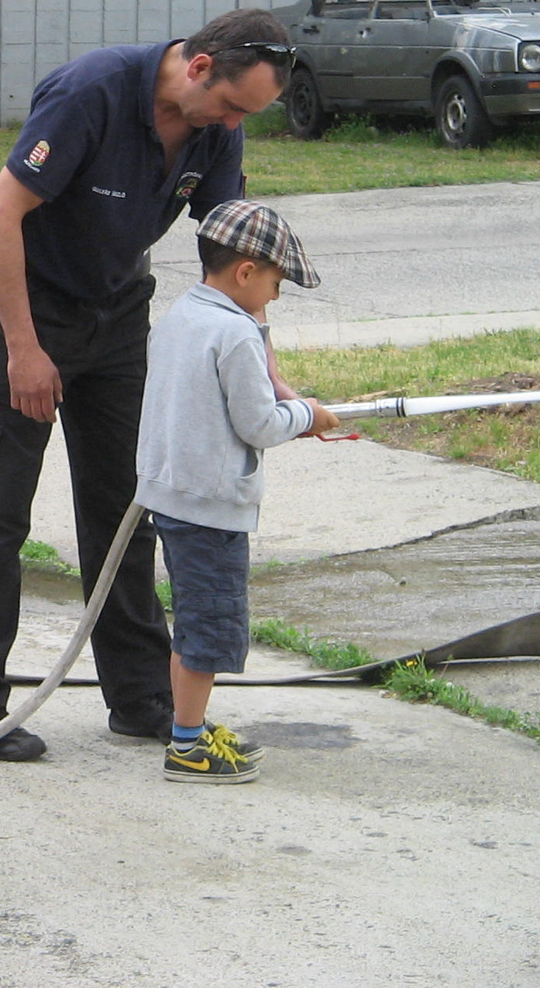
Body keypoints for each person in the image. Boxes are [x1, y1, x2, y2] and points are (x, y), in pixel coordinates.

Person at [0, 8, 296, 759]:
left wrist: (266, 366)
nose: (236, 124)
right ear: (199, 68)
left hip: (117, 318)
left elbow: (231, 259)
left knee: (129, 510)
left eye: (248, 116)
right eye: (235, 106)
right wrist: (23, 349)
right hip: (26, 312)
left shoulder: (216, 130)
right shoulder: (91, 93)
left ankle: (140, 698)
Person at [137, 200, 339, 782]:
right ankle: (185, 747)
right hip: (212, 507)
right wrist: (307, 414)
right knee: (209, 628)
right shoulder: (235, 333)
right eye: (277, 282)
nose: (276, 296)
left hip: (171, 495)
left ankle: (190, 727)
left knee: (193, 620)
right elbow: (259, 425)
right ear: (246, 272)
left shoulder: (182, 314)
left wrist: (293, 405)